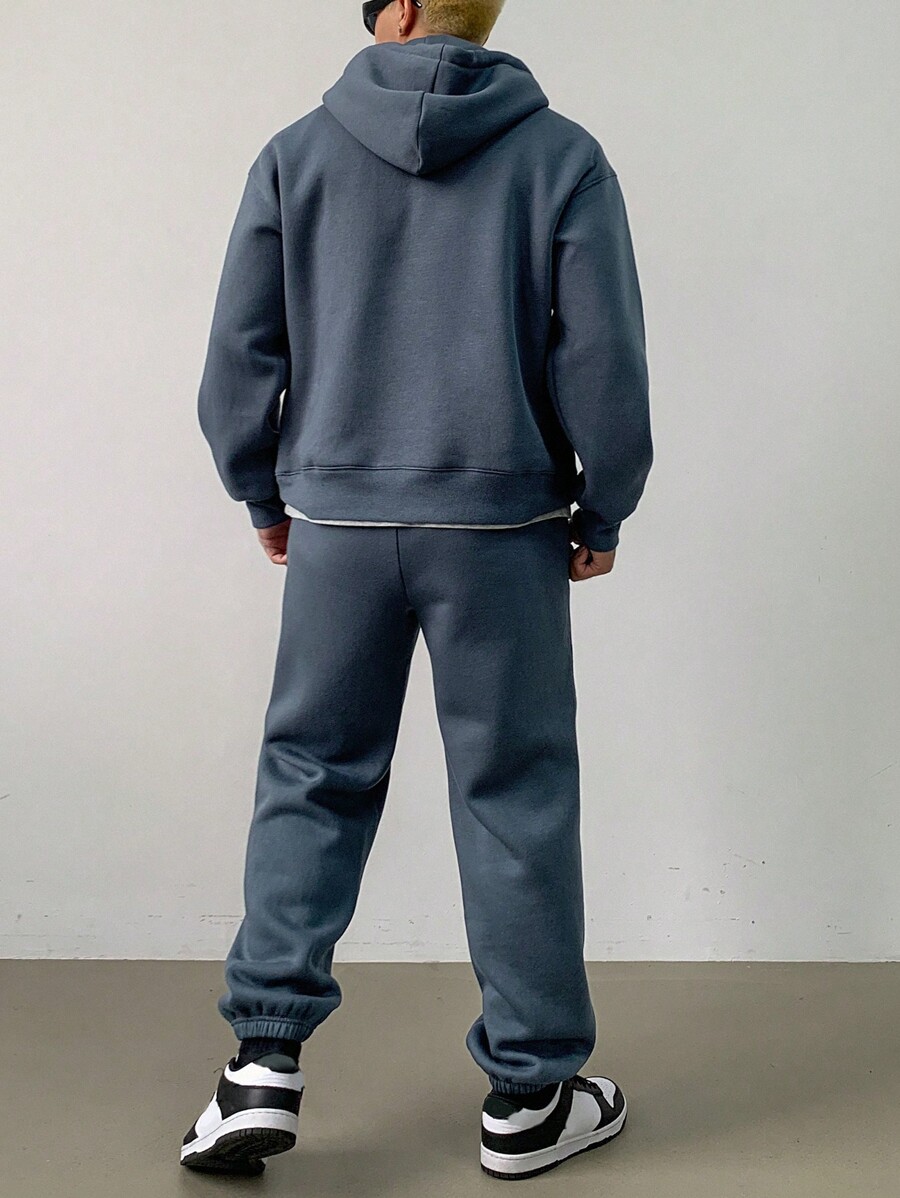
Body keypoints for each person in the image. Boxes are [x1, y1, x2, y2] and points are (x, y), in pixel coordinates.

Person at [181, 0, 653, 1180]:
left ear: (392, 11)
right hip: (502, 530)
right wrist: (603, 505)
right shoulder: (563, 156)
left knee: (311, 773)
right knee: (515, 790)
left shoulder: (296, 153)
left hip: (338, 528)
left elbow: (240, 352)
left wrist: (260, 488)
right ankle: (531, 1094)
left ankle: (260, 1066)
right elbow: (602, 355)